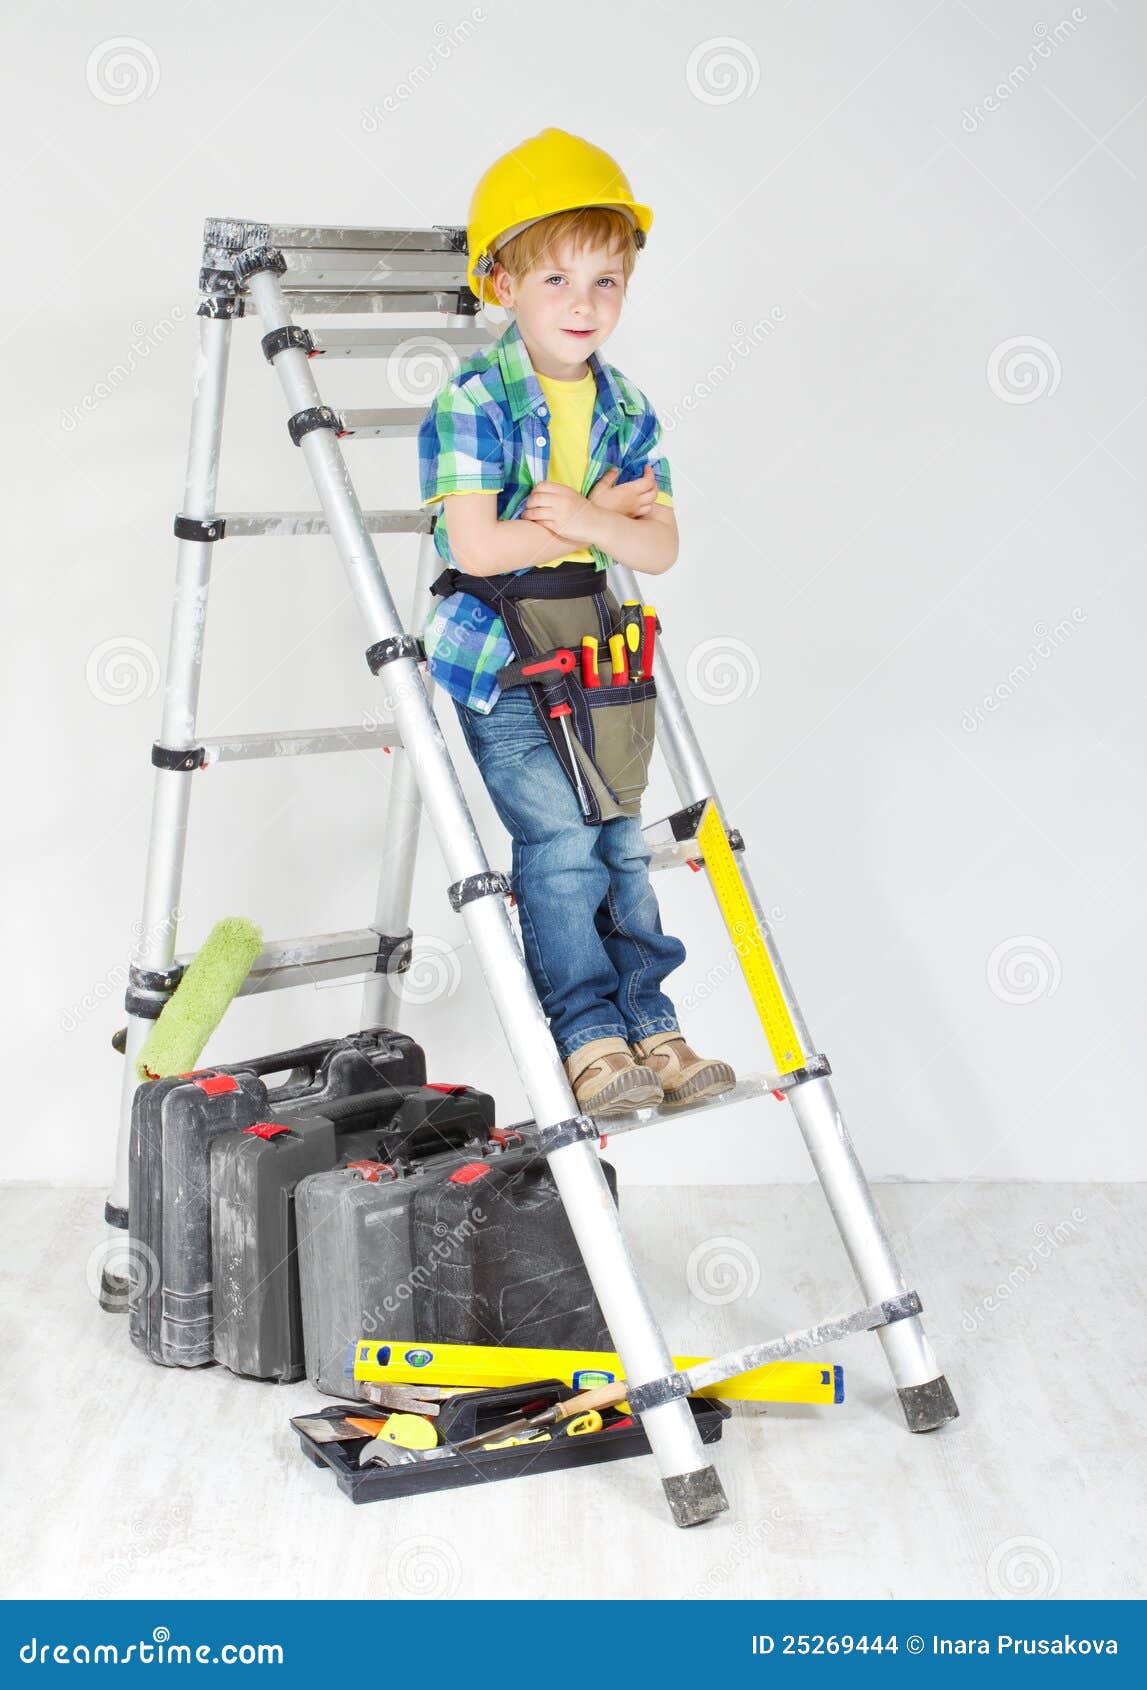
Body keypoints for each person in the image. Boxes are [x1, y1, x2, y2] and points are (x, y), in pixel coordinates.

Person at [417, 127, 735, 1118]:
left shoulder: (626, 408)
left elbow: (656, 547)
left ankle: (655, 1025)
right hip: (503, 664)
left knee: (618, 839)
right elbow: (475, 548)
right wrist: (588, 518)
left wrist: (583, 518)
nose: (584, 304)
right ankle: (590, 1038)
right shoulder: (471, 400)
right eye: (556, 280)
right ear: (503, 285)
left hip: (596, 657)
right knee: (557, 842)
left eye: (606, 281)